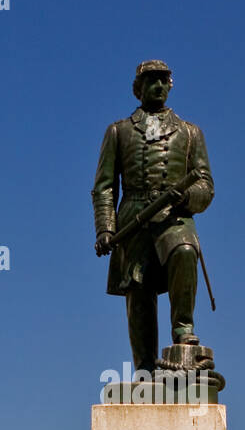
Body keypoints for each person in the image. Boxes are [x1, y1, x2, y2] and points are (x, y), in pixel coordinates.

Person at [92, 60, 215, 374]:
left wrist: (188, 196)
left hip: (175, 217)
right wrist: (105, 228)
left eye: (163, 80)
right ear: (138, 88)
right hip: (133, 218)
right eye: (151, 81)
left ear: (170, 86)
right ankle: (144, 368)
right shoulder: (118, 132)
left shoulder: (190, 133)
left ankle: (183, 331)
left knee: (185, 252)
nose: (158, 86)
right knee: (139, 290)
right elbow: (104, 186)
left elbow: (205, 185)